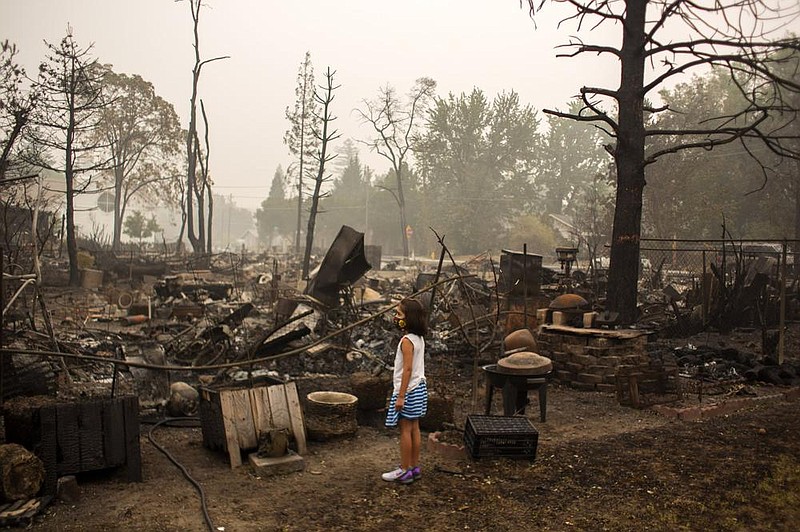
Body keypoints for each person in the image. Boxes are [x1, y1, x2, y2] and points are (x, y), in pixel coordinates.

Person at [381, 298, 428, 484]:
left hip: (408, 391)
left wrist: (400, 396)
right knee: (415, 428)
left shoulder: (407, 341)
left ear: (410, 318)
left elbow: (407, 369)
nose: (395, 318)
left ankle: (404, 469)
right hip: (419, 387)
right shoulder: (419, 338)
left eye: (399, 314)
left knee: (405, 430)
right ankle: (414, 467)